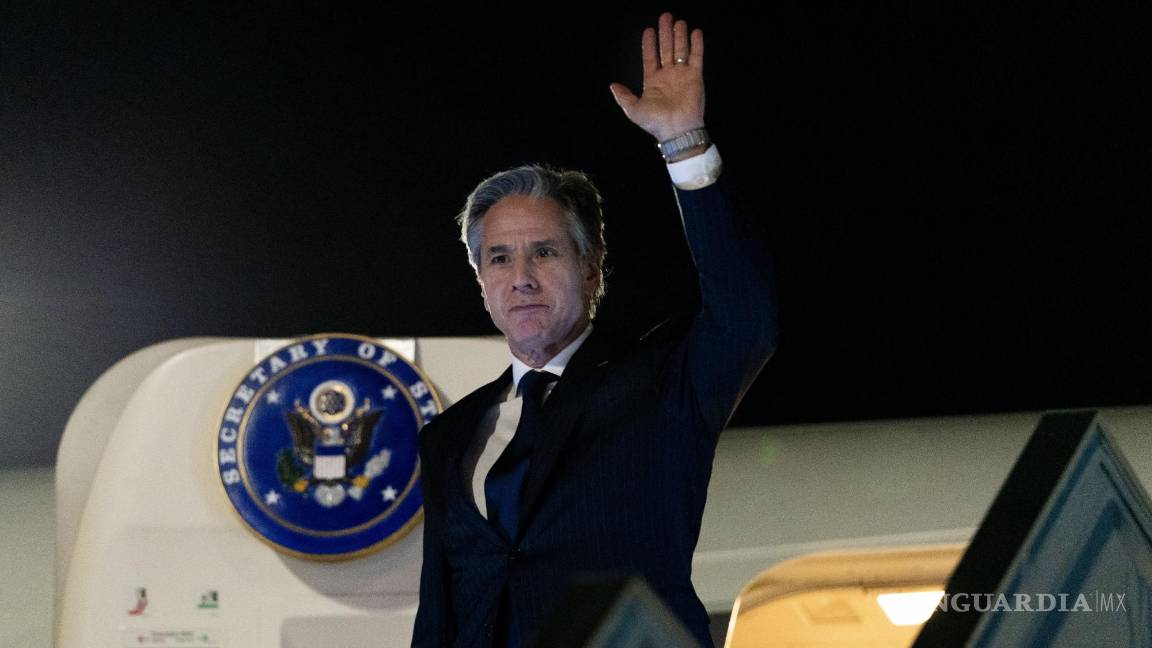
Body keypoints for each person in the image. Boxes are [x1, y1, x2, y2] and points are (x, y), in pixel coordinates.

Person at [413, 12, 778, 648]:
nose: (521, 277)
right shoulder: (447, 436)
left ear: (591, 267)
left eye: (545, 252)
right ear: (480, 279)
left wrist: (684, 143)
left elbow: (747, 319)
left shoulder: (661, 385)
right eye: (499, 258)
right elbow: (440, 621)